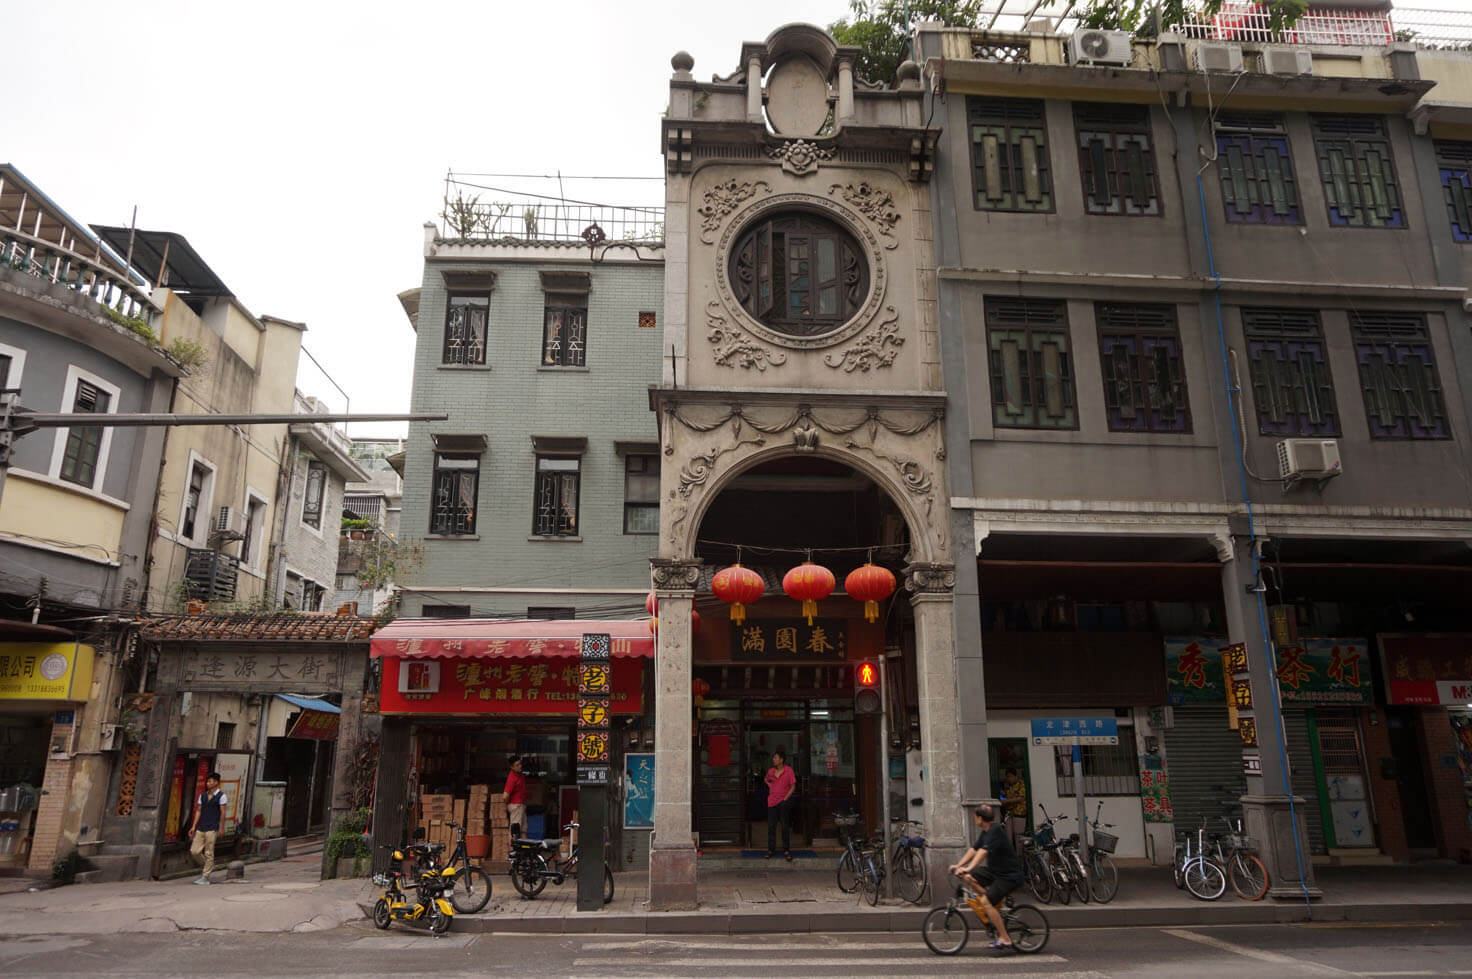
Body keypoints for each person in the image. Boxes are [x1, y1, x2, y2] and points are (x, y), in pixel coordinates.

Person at [949, 804, 1023, 952]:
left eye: (975, 816)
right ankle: (991, 904)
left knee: (985, 901)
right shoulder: (985, 831)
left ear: (980, 818)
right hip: (995, 871)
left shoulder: (995, 830)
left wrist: (968, 867)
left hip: (1008, 875)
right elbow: (973, 850)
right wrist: (959, 865)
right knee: (968, 877)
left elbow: (983, 852)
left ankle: (1005, 938)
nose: (974, 818)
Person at [188, 771, 226, 885]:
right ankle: (208, 866)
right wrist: (194, 826)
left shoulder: (221, 796)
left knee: (209, 852)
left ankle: (205, 876)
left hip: (212, 827)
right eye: (207, 781)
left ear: (216, 783)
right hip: (201, 826)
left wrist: (221, 827)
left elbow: (223, 812)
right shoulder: (203, 796)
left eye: (210, 781)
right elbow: (199, 810)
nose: (207, 783)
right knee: (194, 851)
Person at [763, 747, 796, 861]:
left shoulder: (789, 771)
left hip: (783, 803)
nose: (773, 759)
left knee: (784, 827)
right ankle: (770, 850)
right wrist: (770, 785)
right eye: (774, 757)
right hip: (771, 802)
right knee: (771, 827)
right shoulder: (771, 771)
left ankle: (786, 850)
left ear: (781, 760)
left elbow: (793, 786)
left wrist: (785, 799)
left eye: (775, 758)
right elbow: (766, 779)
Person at [1001, 767, 1028, 848]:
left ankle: (1020, 858)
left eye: (1010, 776)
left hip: (1019, 814)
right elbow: (1009, 795)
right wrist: (1004, 794)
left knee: (1018, 838)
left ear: (1015, 776)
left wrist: (1006, 801)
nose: (1008, 779)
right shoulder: (1010, 786)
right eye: (1007, 777)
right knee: (1008, 837)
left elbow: (1021, 798)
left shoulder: (1021, 784)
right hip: (1009, 815)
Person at [504, 755, 527, 838]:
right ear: (512, 767)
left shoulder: (520, 775)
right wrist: (509, 805)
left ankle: (526, 849)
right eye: (517, 765)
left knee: (523, 830)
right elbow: (505, 796)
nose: (520, 766)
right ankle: (512, 850)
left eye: (520, 764)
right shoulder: (512, 778)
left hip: (521, 805)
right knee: (514, 831)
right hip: (516, 806)